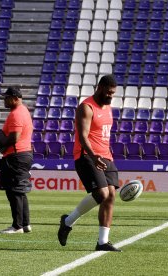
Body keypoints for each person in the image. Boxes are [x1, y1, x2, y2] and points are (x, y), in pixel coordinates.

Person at [57, 75, 121, 251]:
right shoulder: (86, 107)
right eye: (108, 92)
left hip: (106, 156)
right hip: (86, 156)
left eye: (113, 93)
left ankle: (102, 242)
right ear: (100, 87)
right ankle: (68, 222)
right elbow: (83, 136)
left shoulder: (108, 107)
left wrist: (105, 157)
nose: (110, 96)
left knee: (111, 196)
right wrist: (94, 156)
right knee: (101, 194)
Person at [0, 87, 33, 234]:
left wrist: (0, 145)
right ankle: (25, 224)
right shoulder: (23, 111)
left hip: (16, 156)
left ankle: (17, 226)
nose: (4, 100)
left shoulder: (16, 113)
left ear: (15, 98)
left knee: (13, 191)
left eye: (7, 97)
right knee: (20, 191)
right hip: (22, 154)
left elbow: (15, 137)